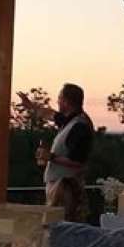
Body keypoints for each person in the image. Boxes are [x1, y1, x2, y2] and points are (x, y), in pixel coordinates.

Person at [17, 83, 94, 218]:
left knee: (62, 224)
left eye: (59, 98)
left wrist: (50, 157)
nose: (57, 102)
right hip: (59, 188)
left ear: (66, 102)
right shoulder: (70, 120)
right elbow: (50, 114)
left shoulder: (79, 126)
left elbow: (77, 161)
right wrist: (31, 106)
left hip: (66, 191)